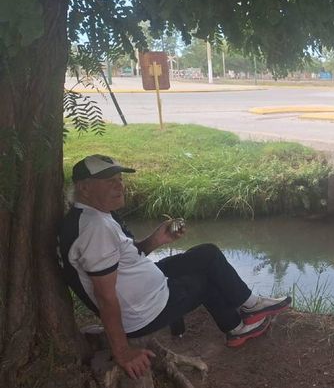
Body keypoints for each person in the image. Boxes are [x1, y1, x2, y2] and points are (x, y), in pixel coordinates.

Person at [57, 154, 292, 379]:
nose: (119, 186)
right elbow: (105, 296)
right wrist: (122, 352)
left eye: (120, 179)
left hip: (142, 289)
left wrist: (157, 239)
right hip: (145, 311)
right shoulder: (95, 229)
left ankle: (248, 308)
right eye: (109, 181)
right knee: (206, 279)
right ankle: (238, 325)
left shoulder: (94, 215)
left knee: (206, 254)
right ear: (84, 188)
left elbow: (126, 258)